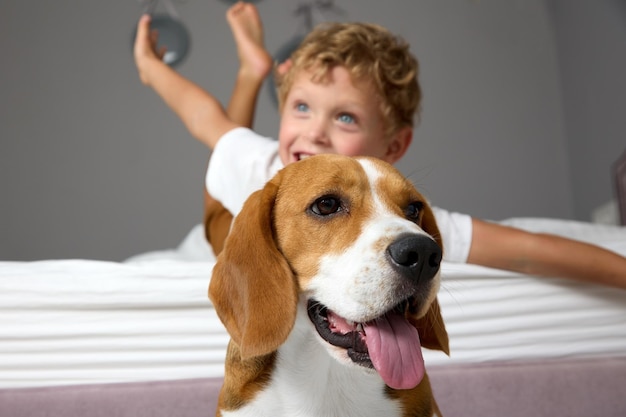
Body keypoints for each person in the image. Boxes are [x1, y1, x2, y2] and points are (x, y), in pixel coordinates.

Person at [133, 2, 626, 289]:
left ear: (393, 145)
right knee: (224, 181)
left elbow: (525, 251)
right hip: (211, 242)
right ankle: (252, 71)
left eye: (344, 116)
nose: (315, 132)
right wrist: (154, 71)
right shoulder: (263, 161)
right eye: (301, 107)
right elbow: (206, 118)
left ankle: (252, 70)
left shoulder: (403, 218)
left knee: (227, 161)